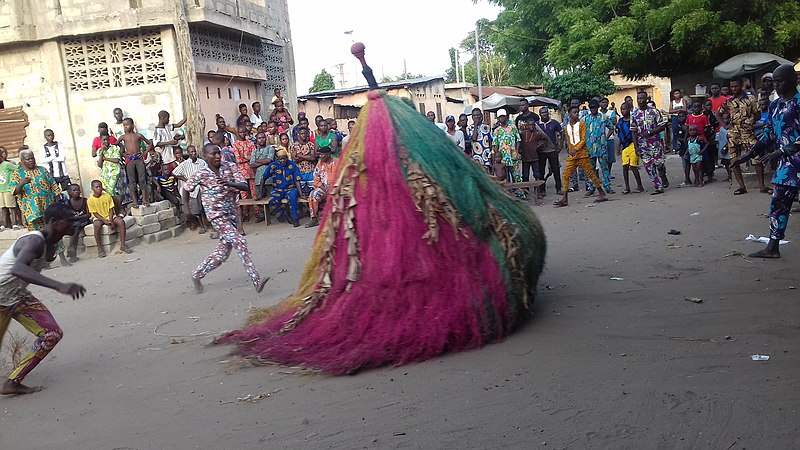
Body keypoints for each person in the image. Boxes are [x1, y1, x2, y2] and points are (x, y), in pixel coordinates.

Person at [0, 203, 85, 395]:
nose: (74, 224)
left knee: (52, 334)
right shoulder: (34, 241)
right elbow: (18, 269)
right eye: (70, 221)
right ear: (54, 222)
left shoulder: (53, 244)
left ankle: (12, 382)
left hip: (17, 296)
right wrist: (59, 286)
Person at [732, 64, 800, 258]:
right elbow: (769, 133)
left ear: (794, 80)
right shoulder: (776, 105)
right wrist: (750, 153)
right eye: (775, 82)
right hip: (787, 166)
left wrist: (781, 151)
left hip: (792, 157)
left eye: (781, 81)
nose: (777, 85)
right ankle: (773, 246)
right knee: (779, 203)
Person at [182, 144, 268, 294]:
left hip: (231, 213)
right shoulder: (202, 173)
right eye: (213, 154)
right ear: (205, 156)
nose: (217, 156)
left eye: (218, 153)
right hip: (216, 215)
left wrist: (230, 184)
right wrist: (186, 210)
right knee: (240, 241)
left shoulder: (230, 166)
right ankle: (256, 279)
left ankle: (197, 275)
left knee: (223, 253)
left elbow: (244, 186)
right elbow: (186, 188)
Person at [715, 78, 767, 195]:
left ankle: (762, 186)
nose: (734, 89)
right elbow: (718, 113)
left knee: (756, 158)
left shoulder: (751, 99)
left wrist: (748, 121)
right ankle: (741, 186)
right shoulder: (729, 101)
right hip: (734, 134)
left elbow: (757, 115)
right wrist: (725, 126)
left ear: (741, 86)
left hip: (748, 133)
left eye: (736, 86)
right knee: (734, 160)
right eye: (732, 87)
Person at [554, 106, 607, 207]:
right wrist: (570, 150)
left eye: (577, 112)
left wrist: (575, 149)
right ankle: (565, 198)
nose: (576, 114)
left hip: (582, 155)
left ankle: (601, 192)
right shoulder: (566, 127)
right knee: (565, 175)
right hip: (573, 156)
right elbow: (568, 141)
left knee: (590, 174)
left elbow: (583, 140)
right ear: (569, 114)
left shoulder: (582, 124)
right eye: (574, 112)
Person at [631, 91, 668, 195]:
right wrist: (636, 147)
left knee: (659, 164)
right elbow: (633, 131)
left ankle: (663, 176)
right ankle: (658, 186)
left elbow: (662, 126)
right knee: (649, 166)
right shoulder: (634, 114)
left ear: (646, 99)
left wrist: (650, 132)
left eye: (642, 98)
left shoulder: (654, 112)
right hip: (642, 145)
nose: (640, 100)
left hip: (655, 143)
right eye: (638, 98)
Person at [260, 149, 303, 227]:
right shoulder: (273, 165)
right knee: (272, 200)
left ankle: (295, 218)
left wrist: (300, 193)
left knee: (293, 197)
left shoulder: (292, 165)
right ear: (277, 159)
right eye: (281, 159)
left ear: (287, 157)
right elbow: (263, 178)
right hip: (278, 189)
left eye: (284, 158)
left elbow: (297, 179)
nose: (283, 160)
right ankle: (284, 215)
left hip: (291, 188)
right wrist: (261, 192)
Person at [87, 180, 130, 257]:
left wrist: (110, 220)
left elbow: (111, 209)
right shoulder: (90, 200)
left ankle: (123, 245)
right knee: (96, 225)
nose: (99, 188)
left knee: (121, 222)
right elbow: (95, 213)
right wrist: (104, 220)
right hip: (99, 217)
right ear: (92, 188)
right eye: (96, 187)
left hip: (109, 215)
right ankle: (100, 249)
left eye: (100, 186)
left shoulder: (107, 196)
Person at [581, 99, 615, 194]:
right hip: (589, 148)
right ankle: (591, 188)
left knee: (604, 168)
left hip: (602, 147)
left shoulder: (603, 118)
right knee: (590, 169)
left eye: (594, 107)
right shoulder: (585, 119)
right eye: (591, 108)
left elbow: (611, 127)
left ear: (597, 108)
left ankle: (607, 186)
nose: (593, 109)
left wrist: (606, 138)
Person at [118, 117, 153, 208]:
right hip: (130, 160)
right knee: (131, 181)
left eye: (127, 125)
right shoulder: (123, 137)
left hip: (139, 159)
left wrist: (145, 153)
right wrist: (124, 154)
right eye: (124, 125)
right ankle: (135, 201)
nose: (125, 127)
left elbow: (149, 143)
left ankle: (145, 199)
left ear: (132, 125)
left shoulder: (138, 135)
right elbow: (117, 145)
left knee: (142, 179)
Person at [173, 145, 209, 234]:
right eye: (191, 152)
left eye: (194, 151)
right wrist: (186, 180)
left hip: (202, 187)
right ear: (188, 153)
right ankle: (202, 226)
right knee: (197, 210)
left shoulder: (201, 162)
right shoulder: (185, 164)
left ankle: (208, 224)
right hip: (193, 190)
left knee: (205, 207)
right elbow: (174, 173)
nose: (193, 153)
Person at [306, 145, 339, 228]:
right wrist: (325, 188)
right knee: (313, 195)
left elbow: (343, 176)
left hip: (336, 188)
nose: (320, 156)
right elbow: (316, 181)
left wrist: (334, 187)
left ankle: (337, 220)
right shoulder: (319, 164)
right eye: (319, 154)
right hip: (323, 189)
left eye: (322, 154)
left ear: (328, 154)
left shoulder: (337, 162)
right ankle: (313, 219)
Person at [491, 109, 523, 189]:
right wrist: (496, 157)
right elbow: (495, 145)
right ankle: (509, 194)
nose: (502, 118)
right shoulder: (497, 131)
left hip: (513, 157)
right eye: (500, 117)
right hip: (503, 159)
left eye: (503, 116)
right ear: (498, 119)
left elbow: (518, 140)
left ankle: (520, 194)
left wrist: (516, 151)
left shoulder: (513, 127)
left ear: (506, 117)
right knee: (505, 178)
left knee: (517, 176)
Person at [617, 102, 644, 194]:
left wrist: (637, 146)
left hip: (633, 144)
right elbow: (620, 134)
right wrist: (619, 146)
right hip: (624, 146)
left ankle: (640, 186)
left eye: (624, 109)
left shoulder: (633, 120)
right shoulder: (620, 121)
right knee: (625, 167)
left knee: (633, 166)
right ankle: (627, 187)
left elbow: (636, 133)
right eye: (621, 109)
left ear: (629, 109)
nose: (622, 111)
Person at [536, 107, 563, 197]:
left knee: (556, 170)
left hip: (552, 150)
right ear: (540, 114)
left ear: (548, 113)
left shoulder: (554, 123)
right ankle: (542, 190)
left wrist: (560, 146)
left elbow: (562, 133)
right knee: (541, 171)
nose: (544, 114)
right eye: (542, 113)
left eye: (546, 112)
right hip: (541, 151)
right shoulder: (536, 125)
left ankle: (559, 189)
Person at [232, 126, 256, 222]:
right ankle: (246, 214)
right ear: (238, 133)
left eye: (243, 132)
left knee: (254, 193)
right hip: (241, 172)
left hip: (251, 171)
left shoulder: (250, 143)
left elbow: (254, 157)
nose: (242, 134)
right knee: (244, 194)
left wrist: (244, 157)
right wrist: (248, 157)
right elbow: (238, 159)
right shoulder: (235, 144)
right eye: (240, 132)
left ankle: (257, 213)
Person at [64, 184, 90, 263]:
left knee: (77, 226)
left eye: (78, 190)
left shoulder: (84, 200)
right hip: (75, 222)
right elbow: (68, 216)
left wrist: (76, 218)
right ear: (69, 192)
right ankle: (73, 254)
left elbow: (88, 214)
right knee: (74, 228)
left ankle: (70, 248)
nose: (77, 192)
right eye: (74, 190)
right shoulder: (68, 203)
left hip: (84, 220)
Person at [518, 118, 545, 191]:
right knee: (525, 175)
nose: (531, 126)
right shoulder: (523, 133)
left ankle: (538, 191)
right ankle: (526, 190)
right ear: (527, 125)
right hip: (525, 157)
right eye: (530, 125)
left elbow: (545, 139)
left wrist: (538, 146)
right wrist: (519, 149)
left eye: (533, 125)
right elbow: (518, 141)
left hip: (534, 157)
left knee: (537, 174)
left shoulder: (537, 134)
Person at [0, 147, 22, 230]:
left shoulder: (7, 164)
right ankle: (4, 224)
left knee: (12, 207)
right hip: (0, 190)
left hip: (8, 189)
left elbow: (17, 168)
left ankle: (14, 224)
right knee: (3, 207)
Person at [97, 133, 123, 198]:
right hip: (105, 175)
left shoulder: (114, 148)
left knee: (111, 191)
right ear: (101, 141)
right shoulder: (99, 151)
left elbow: (117, 160)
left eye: (107, 140)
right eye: (104, 140)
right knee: (106, 192)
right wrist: (102, 152)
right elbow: (100, 165)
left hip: (114, 173)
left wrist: (105, 158)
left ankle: (116, 206)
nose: (106, 141)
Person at [600, 98, 618, 174]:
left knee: (610, 158)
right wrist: (608, 120)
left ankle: (609, 173)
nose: (604, 104)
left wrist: (603, 121)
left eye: (606, 102)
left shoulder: (611, 112)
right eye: (603, 102)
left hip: (609, 137)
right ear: (600, 103)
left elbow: (614, 122)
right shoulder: (597, 112)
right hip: (599, 138)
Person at [717, 112, 732, 182]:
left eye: (727, 118)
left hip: (728, 148)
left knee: (730, 163)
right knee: (725, 163)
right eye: (724, 119)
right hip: (722, 148)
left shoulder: (730, 128)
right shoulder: (722, 128)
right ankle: (729, 176)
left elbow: (730, 139)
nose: (725, 120)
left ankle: (731, 176)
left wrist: (726, 147)